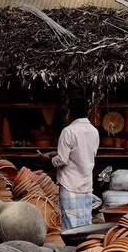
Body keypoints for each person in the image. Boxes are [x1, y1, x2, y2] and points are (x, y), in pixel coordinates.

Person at [42, 97, 99, 229]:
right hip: (86, 183)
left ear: (70, 113)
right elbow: (85, 154)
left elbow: (62, 160)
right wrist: (57, 154)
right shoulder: (94, 131)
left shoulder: (69, 131)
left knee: (70, 225)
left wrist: (49, 159)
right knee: (85, 222)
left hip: (70, 184)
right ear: (88, 112)